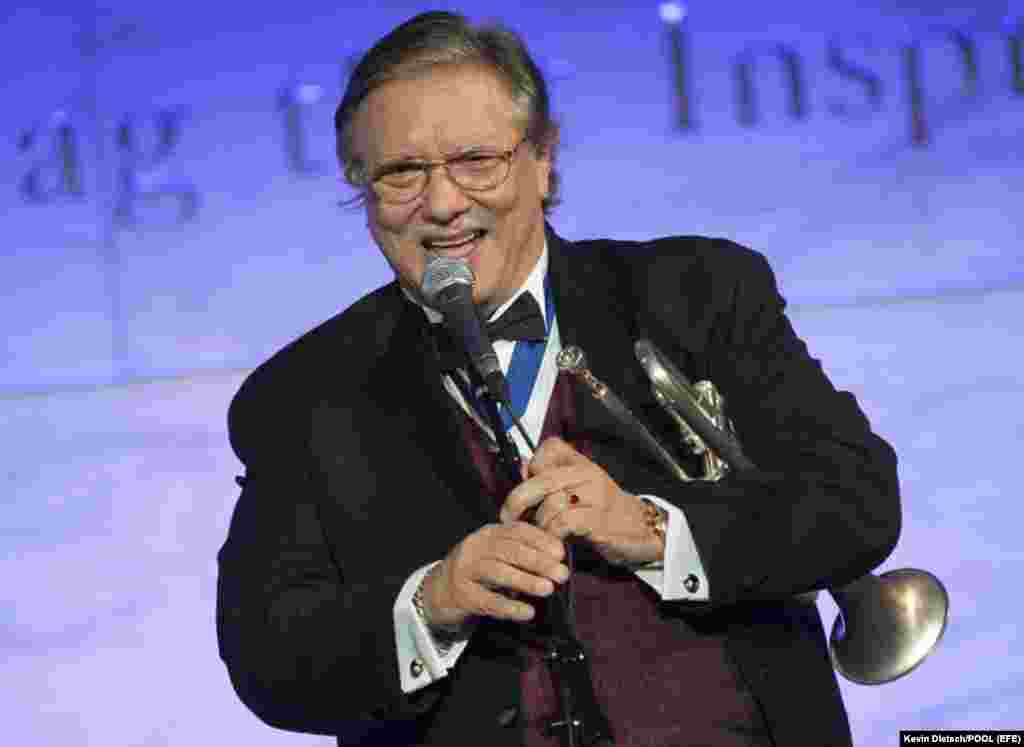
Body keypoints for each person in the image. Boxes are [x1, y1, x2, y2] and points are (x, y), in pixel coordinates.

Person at [216, 11, 901, 747]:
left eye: (477, 160)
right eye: (402, 173)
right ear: (363, 191)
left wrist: (652, 530)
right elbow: (268, 657)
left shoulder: (700, 292)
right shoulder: (301, 395)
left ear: (543, 160)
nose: (443, 203)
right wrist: (430, 604)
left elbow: (857, 497)